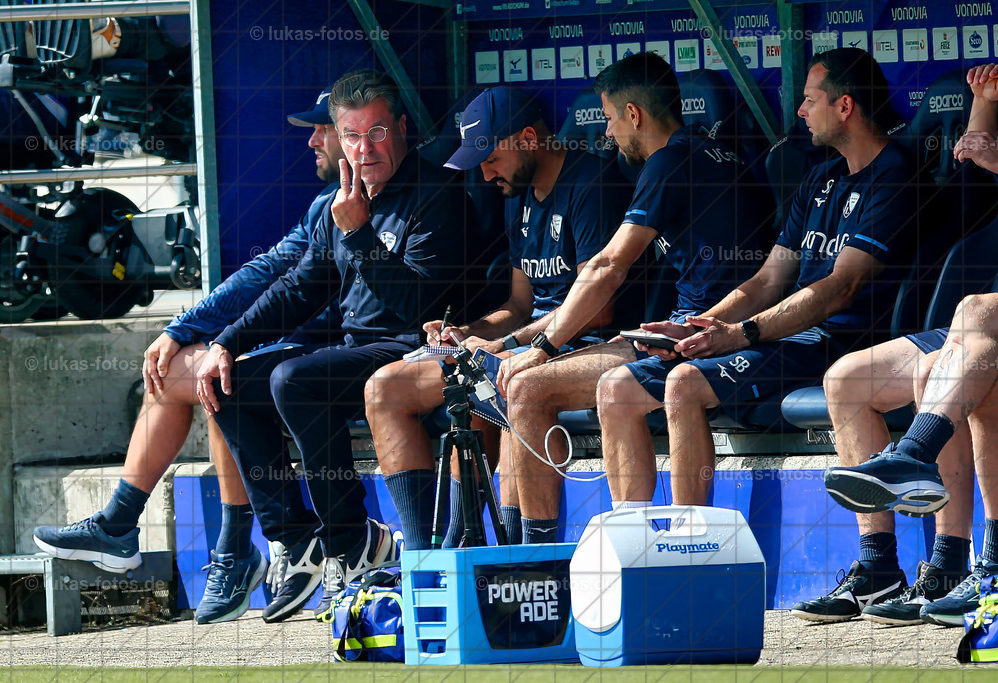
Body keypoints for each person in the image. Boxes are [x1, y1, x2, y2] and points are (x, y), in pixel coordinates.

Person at [32, 86, 348, 625]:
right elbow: (265, 270)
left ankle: (227, 542)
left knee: (217, 368)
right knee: (182, 365)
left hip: (335, 355)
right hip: (295, 349)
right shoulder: (326, 204)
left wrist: (212, 339)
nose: (313, 140)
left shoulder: (396, 196)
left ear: (361, 134)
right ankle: (127, 525)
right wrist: (183, 328)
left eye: (324, 129)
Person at [607, 49, 920, 546]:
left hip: (843, 341)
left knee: (684, 383)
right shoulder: (820, 179)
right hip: (784, 334)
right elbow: (767, 282)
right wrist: (699, 326)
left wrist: (743, 333)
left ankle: (687, 549)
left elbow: (841, 288)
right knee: (617, 388)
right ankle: (632, 549)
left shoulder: (897, 174)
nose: (799, 112)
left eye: (808, 100)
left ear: (844, 107)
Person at [195, 69, 472, 624]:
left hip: (412, 356)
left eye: (376, 133)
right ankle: (295, 539)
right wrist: (226, 340)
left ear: (401, 129)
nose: (364, 149)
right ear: (339, 139)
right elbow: (300, 288)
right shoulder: (336, 204)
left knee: (294, 379)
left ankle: (351, 542)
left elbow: (419, 308)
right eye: (351, 136)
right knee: (232, 382)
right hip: (353, 357)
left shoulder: (439, 195)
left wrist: (361, 233)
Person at [495, 51, 769, 543]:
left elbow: (607, 266)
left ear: (634, 115)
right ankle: (628, 547)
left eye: (609, 118)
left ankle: (536, 556)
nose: (606, 134)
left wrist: (542, 348)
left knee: (527, 387)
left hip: (706, 337)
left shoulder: (668, 161)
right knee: (532, 386)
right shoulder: (712, 150)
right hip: (691, 327)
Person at [364, 86, 630, 550]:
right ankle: (430, 555)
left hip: (583, 346)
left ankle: (512, 551)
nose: (485, 175)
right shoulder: (517, 196)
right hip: (531, 343)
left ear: (528, 139)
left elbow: (597, 309)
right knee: (384, 388)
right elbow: (520, 306)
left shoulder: (593, 184)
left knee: (504, 383)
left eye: (491, 159)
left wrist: (507, 348)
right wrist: (472, 332)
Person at [791, 63, 998, 625]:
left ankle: (935, 517)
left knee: (969, 318)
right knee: (846, 378)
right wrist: (985, 101)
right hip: (996, 322)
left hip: (996, 317)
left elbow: (992, 167)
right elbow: (974, 166)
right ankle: (880, 568)